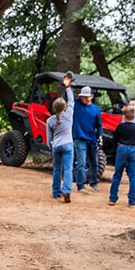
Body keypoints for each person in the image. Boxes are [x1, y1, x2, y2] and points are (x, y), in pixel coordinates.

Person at [108, 105, 135, 208]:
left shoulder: (120, 127)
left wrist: (114, 152)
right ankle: (132, 200)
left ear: (124, 116)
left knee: (117, 174)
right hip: (134, 150)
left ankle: (113, 198)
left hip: (122, 148)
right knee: (133, 176)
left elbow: (114, 139)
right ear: (134, 116)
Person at [46, 73, 75, 202]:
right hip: (68, 144)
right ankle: (67, 190)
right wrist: (67, 87)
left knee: (57, 169)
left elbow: (48, 138)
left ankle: (56, 192)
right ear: (64, 107)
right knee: (68, 169)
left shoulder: (50, 120)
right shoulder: (68, 115)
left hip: (56, 146)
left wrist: (50, 146)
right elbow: (72, 101)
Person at [72, 86, 102, 193]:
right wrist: (68, 87)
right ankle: (81, 185)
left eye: (86, 97)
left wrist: (100, 136)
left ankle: (93, 182)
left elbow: (99, 125)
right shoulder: (76, 105)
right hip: (80, 138)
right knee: (81, 162)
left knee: (94, 162)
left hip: (92, 139)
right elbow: (69, 98)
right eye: (82, 97)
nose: (83, 99)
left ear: (91, 96)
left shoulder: (96, 109)